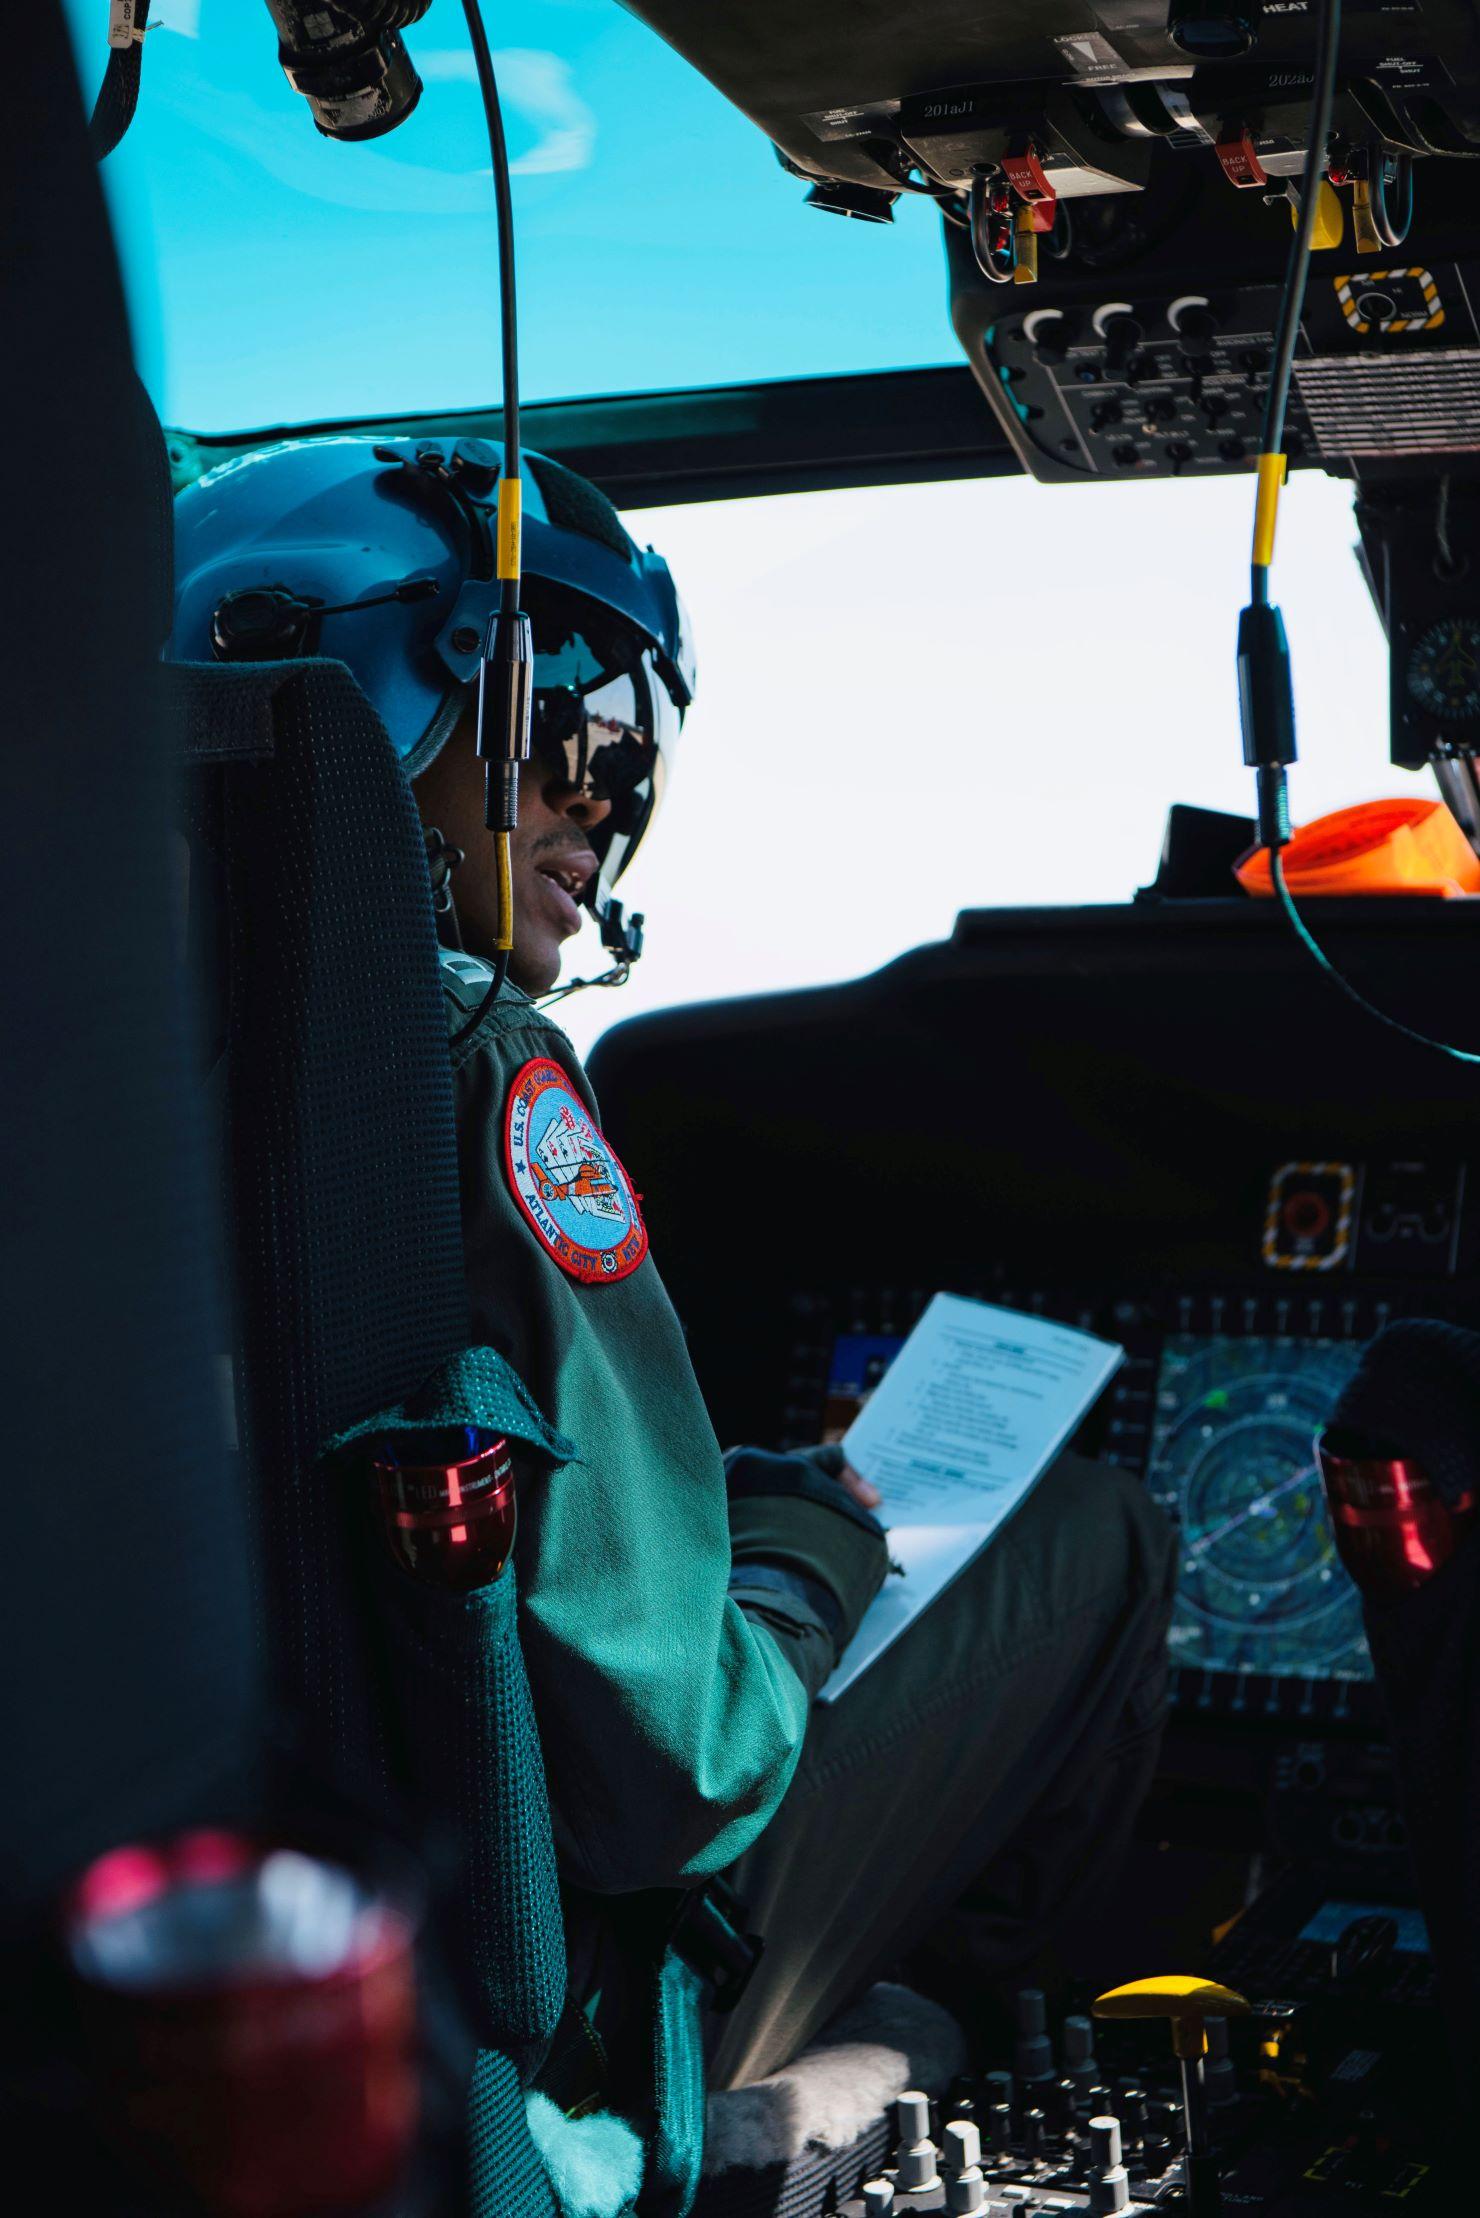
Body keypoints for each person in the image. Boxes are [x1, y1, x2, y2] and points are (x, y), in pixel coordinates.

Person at [169, 434, 1177, 2107]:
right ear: (356, 700)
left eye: (632, 744)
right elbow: (682, 1769)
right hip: (524, 2002)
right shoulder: (474, 1069)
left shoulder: (87, 1068)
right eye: (562, 715)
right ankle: (845, 2083)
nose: (600, 795)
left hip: (229, 1950)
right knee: (1101, 1535)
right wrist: (808, 1552)